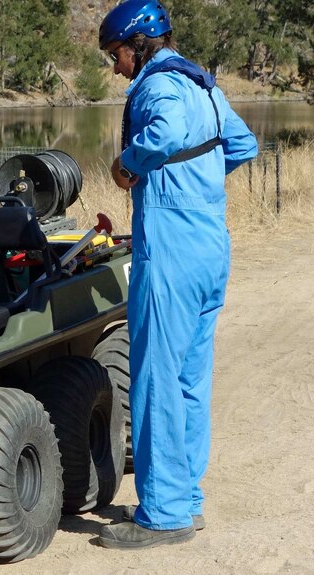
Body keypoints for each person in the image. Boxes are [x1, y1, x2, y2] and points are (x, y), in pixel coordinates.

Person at [96, 0, 258, 549]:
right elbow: (242, 144)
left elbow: (163, 133)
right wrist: (200, 181)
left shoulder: (157, 84)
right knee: (189, 377)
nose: (115, 67)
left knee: (157, 378)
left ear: (137, 45)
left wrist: (126, 167)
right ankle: (186, 499)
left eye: (115, 54)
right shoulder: (204, 84)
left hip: (169, 249)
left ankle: (163, 515)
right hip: (211, 243)